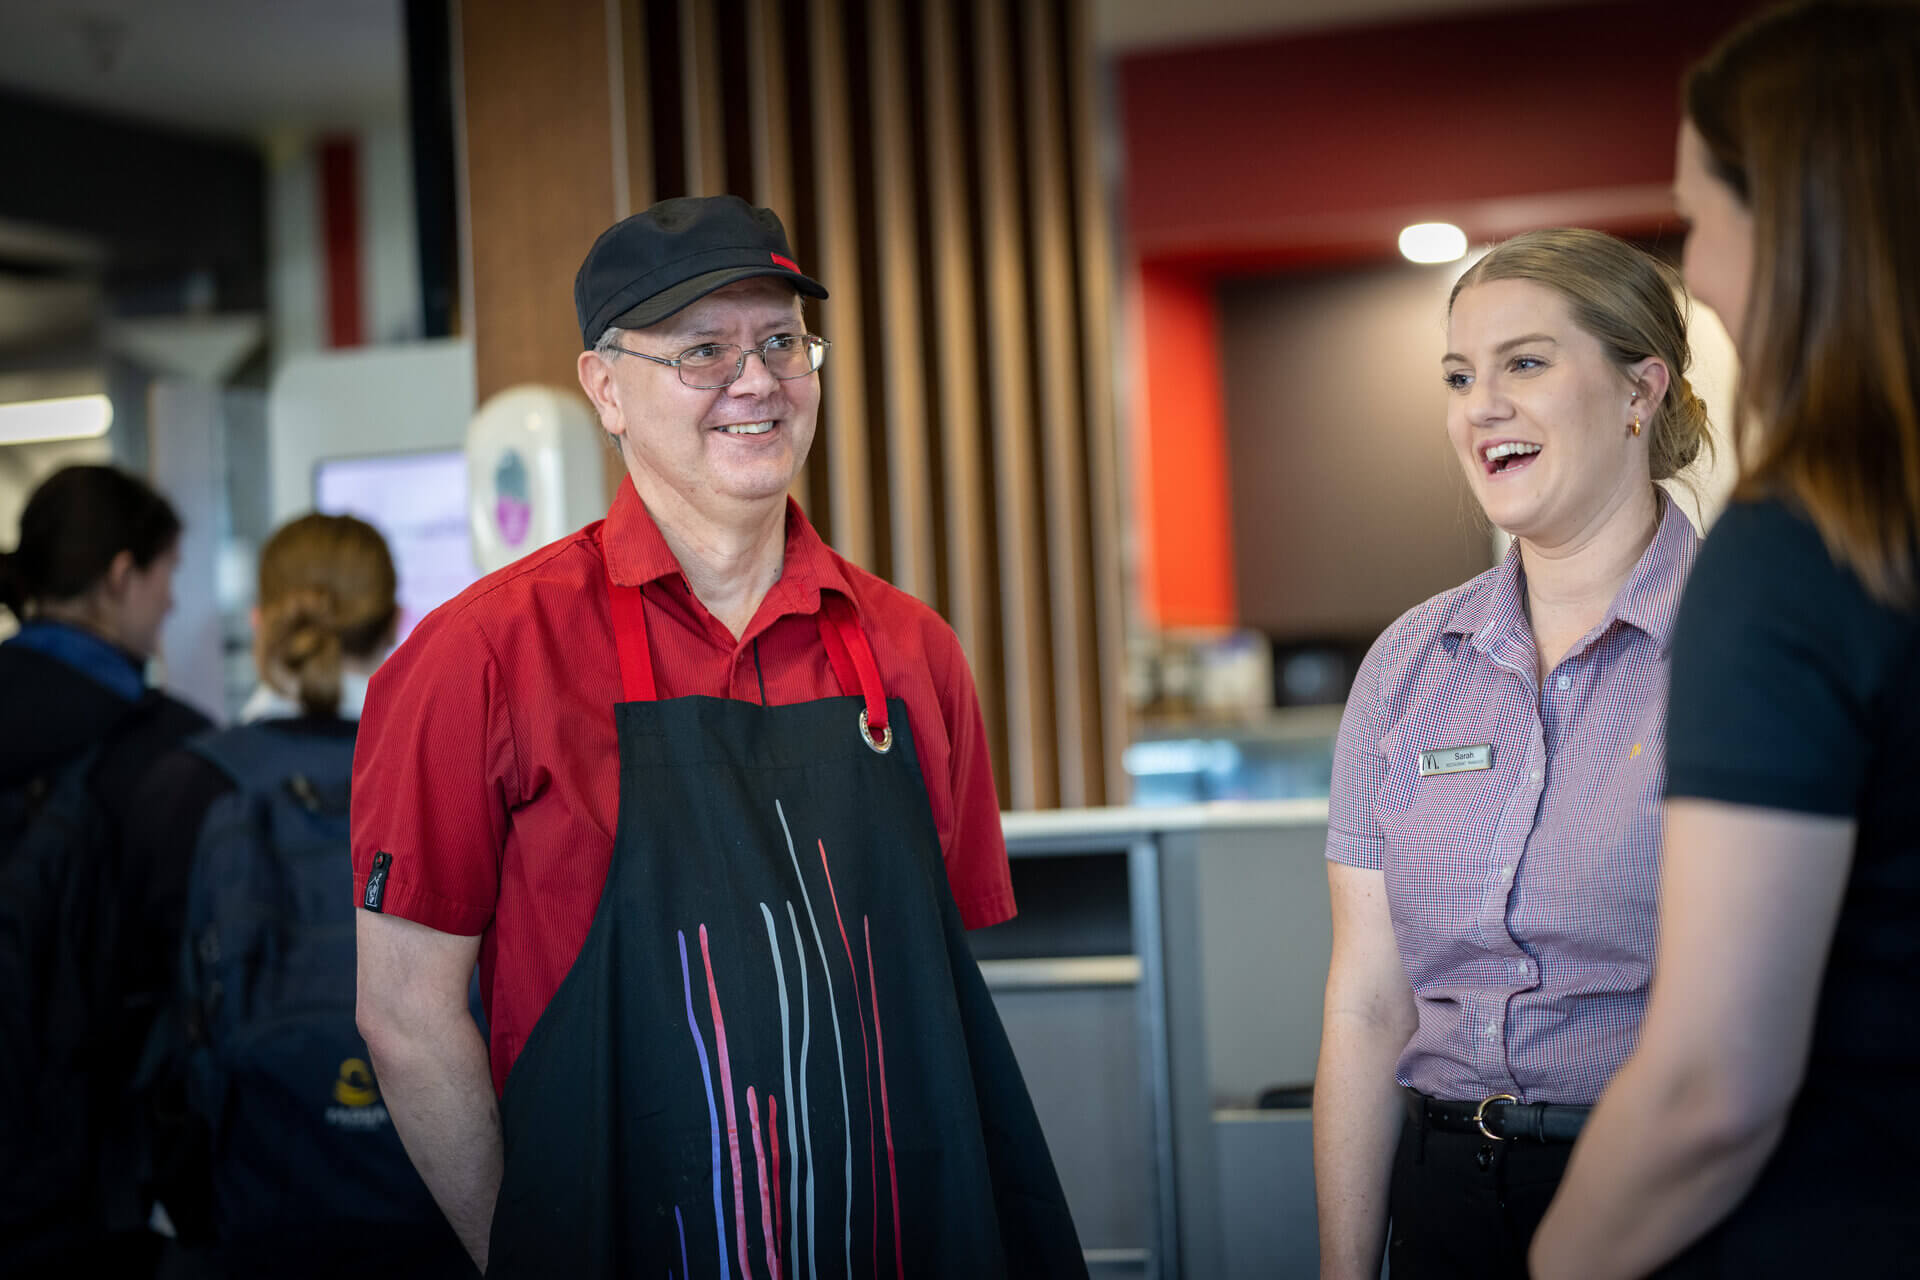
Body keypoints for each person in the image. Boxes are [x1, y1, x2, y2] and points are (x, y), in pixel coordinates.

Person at [349, 194, 1085, 1277]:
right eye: (703, 350)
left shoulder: (911, 650)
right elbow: (406, 1016)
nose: (757, 381)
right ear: (606, 386)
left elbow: (936, 991)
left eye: (782, 340)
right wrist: (532, 1246)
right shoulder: (483, 656)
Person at [1530, 4, 1920, 1275]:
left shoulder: (1798, 553)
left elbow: (1709, 1088)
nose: (1697, 272)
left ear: (1800, 224)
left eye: (1701, 220)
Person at [1313, 228, 1714, 1278]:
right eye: (1458, 376)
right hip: (1447, 1192)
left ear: (1642, 389)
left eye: (1525, 363)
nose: (1479, 405)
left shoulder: (1745, 645)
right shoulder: (1408, 662)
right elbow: (1366, 1002)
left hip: (1674, 1204)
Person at [126, 512, 473, 1278]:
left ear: (259, 623)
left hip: (238, 1223)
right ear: (396, 623)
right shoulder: (455, 775)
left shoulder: (183, 788)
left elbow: (134, 1016)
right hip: (441, 1221)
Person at [0, 464, 211, 1276]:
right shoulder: (168, 751)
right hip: (101, 1187)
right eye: (167, 575)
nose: (171, 604)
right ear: (123, 574)